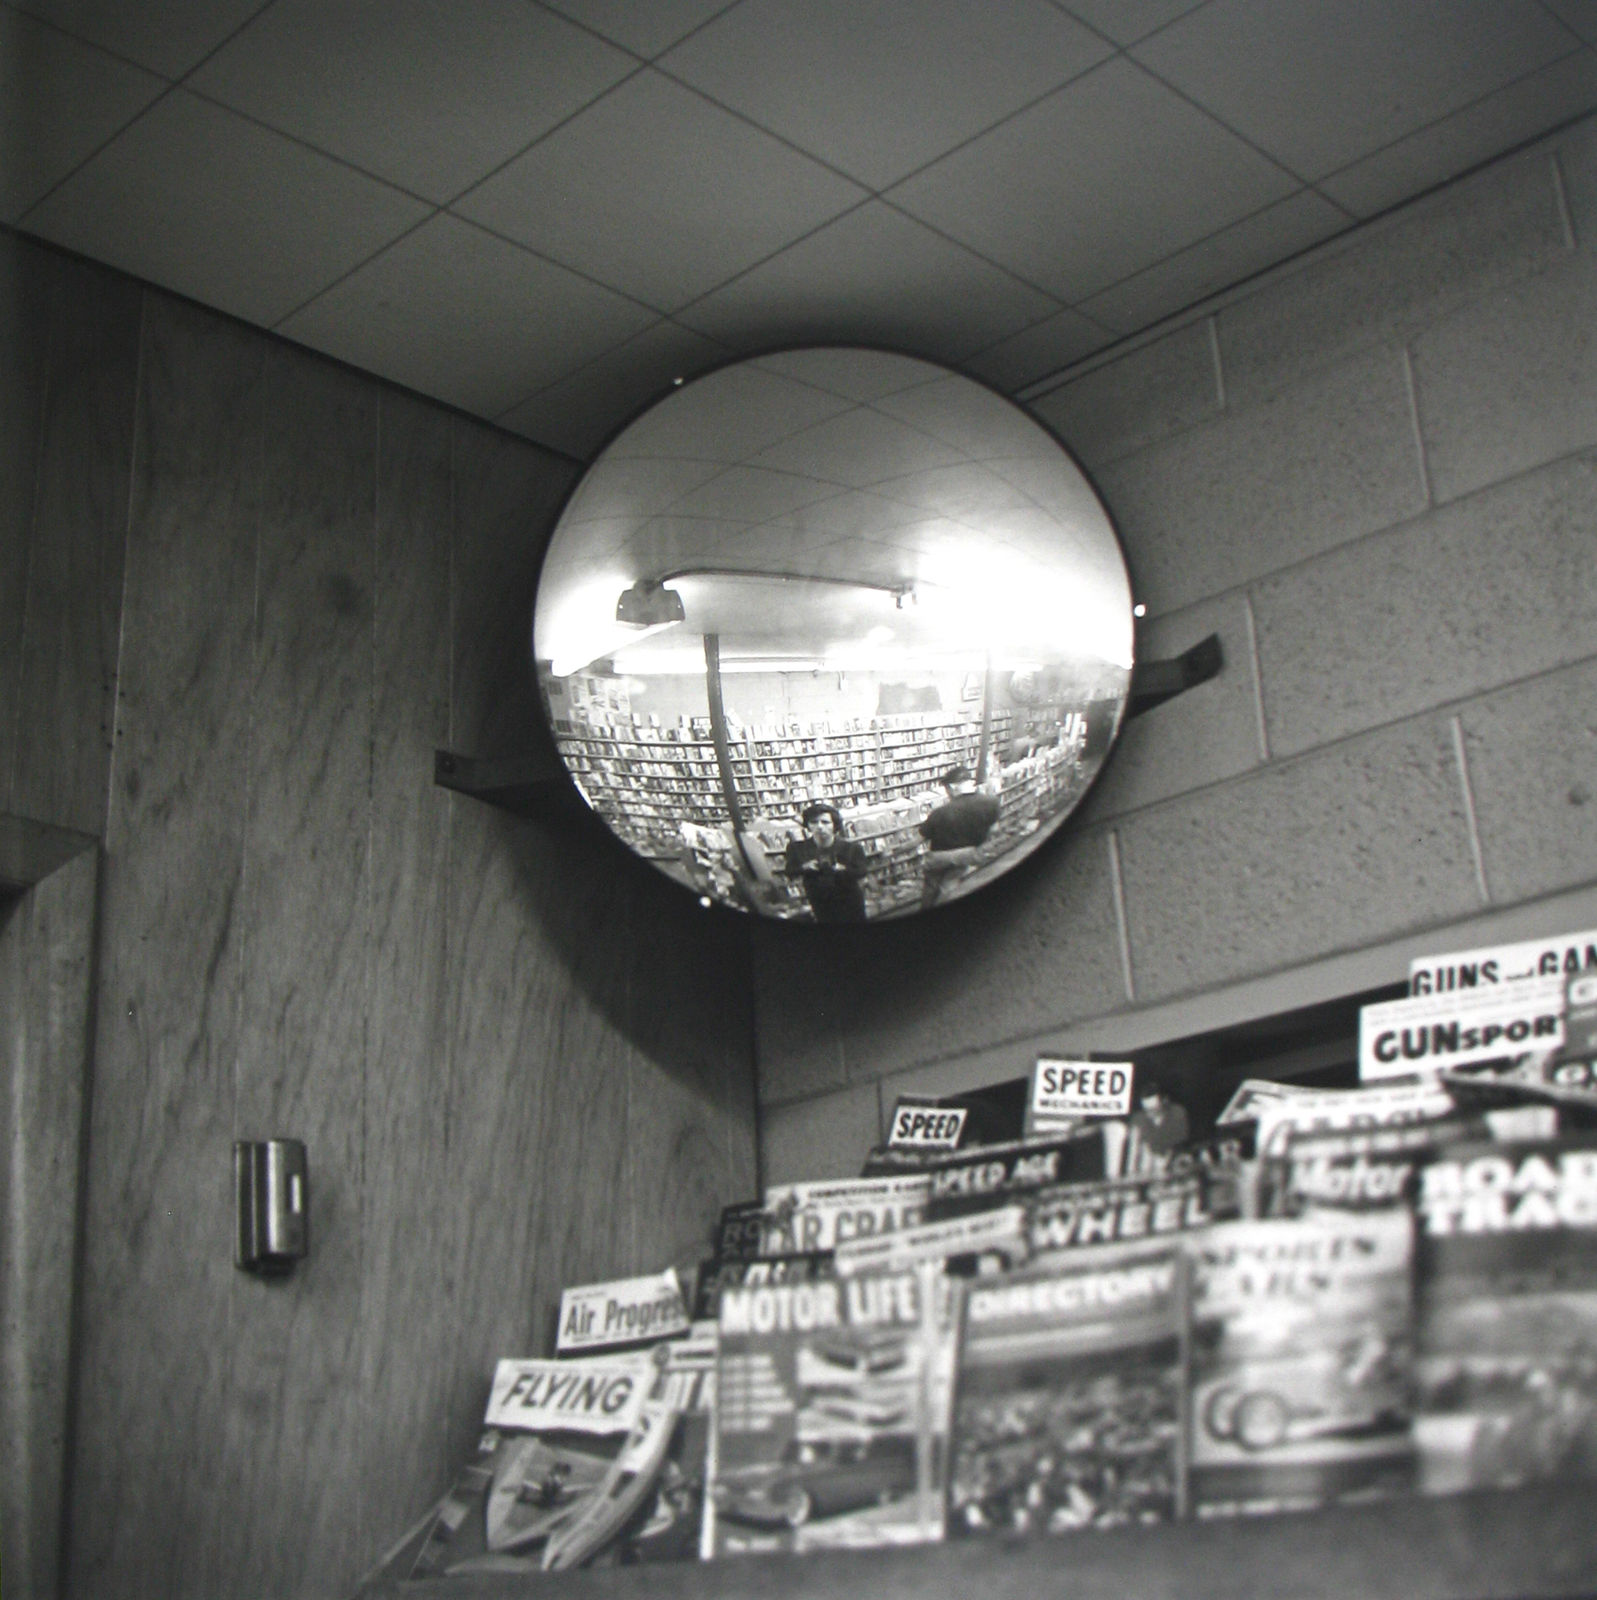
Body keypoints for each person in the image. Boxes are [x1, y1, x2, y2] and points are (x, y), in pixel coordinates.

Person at [919, 766, 1000, 908]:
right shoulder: (992, 802)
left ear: (952, 787)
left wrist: (897, 850)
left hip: (939, 857)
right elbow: (994, 829)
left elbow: (920, 837)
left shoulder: (941, 812)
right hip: (969, 853)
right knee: (950, 883)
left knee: (931, 886)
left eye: (947, 790)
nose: (948, 794)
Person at [783, 802, 869, 922]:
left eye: (825, 822)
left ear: (834, 825)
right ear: (807, 825)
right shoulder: (797, 848)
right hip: (820, 903)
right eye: (814, 822)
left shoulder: (852, 847)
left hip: (850, 902)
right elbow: (789, 872)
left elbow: (862, 871)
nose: (819, 827)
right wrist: (804, 867)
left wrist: (843, 870)